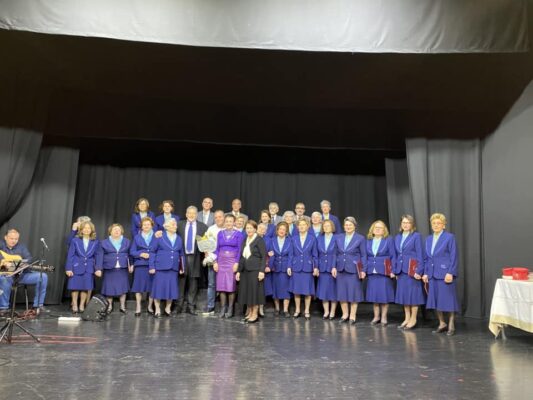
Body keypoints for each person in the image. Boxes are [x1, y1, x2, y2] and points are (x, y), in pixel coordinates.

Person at [423, 213, 460, 336]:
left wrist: (450, 272)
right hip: (432, 274)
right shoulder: (428, 239)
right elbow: (427, 258)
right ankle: (442, 323)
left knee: (448, 300)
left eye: (438, 223)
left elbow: (454, 256)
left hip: (445, 274)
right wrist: (425, 273)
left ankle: (451, 324)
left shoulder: (449, 237)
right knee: (436, 300)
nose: (436, 225)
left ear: (444, 225)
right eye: (433, 223)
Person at [0, 229, 49, 315]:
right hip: (6, 276)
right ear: (5, 237)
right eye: (11, 238)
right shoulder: (1, 245)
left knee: (43, 276)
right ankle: (3, 308)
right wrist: (4, 263)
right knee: (3, 279)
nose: (13, 241)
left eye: (16, 239)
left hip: (21, 275)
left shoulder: (22, 247)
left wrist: (18, 264)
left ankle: (38, 305)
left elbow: (29, 259)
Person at [394, 215, 425, 330]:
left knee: (413, 295)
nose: (405, 225)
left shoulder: (416, 236)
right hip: (401, 271)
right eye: (403, 222)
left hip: (412, 271)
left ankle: (413, 318)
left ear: (412, 224)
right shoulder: (397, 237)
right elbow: (396, 255)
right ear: (401, 224)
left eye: (408, 222)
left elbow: (420, 255)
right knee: (404, 295)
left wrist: (419, 270)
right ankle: (407, 318)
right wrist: (396, 270)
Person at [332, 217, 366, 324]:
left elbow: (363, 255)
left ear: (354, 226)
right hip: (340, 269)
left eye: (350, 225)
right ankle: (345, 314)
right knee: (342, 293)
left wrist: (363, 270)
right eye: (346, 225)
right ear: (343, 226)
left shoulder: (360, 238)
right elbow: (334, 254)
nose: (348, 227)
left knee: (353, 293)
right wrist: (333, 267)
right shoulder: (338, 237)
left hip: (354, 270)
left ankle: (352, 315)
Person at [149, 218, 184, 318]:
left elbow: (181, 254)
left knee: (171, 289)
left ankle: (168, 309)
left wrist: (182, 267)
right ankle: (157, 309)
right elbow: (152, 252)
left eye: (175, 224)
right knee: (158, 289)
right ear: (166, 226)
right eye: (173, 224)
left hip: (173, 268)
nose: (175, 226)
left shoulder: (179, 238)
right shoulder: (159, 236)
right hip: (160, 267)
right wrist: (151, 266)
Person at [177, 206, 208, 315]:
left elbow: (206, 243)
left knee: (193, 283)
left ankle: (191, 306)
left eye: (193, 213)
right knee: (181, 282)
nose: (191, 215)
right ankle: (179, 306)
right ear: (186, 214)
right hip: (182, 257)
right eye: (189, 213)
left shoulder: (203, 227)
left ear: (196, 215)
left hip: (196, 257)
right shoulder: (179, 225)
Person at [365, 220, 396, 326]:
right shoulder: (368, 241)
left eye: (380, 228)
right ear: (372, 230)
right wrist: (364, 269)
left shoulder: (388, 240)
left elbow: (393, 256)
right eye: (376, 227)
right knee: (374, 297)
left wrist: (393, 270)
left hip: (384, 272)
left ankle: (384, 317)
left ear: (384, 230)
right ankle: (376, 317)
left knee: (384, 296)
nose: (378, 229)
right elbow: (365, 256)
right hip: (372, 272)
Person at [95, 224, 131, 313]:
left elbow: (130, 255)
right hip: (109, 269)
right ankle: (109, 306)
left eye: (118, 229)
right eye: (114, 229)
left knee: (123, 289)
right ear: (110, 231)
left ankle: (122, 306)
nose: (116, 231)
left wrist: (131, 265)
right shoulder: (103, 242)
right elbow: (99, 256)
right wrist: (98, 268)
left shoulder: (127, 241)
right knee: (109, 289)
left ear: (121, 231)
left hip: (122, 268)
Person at [236, 220, 267, 324]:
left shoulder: (259, 240)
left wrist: (262, 271)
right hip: (245, 270)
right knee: (248, 292)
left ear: (255, 229)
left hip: (256, 270)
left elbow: (264, 256)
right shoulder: (245, 239)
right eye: (247, 228)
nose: (249, 230)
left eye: (251, 228)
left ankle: (255, 313)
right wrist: (239, 271)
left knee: (255, 292)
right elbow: (242, 257)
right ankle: (250, 313)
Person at [65, 221, 99, 314]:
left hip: (89, 268)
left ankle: (81, 305)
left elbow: (97, 255)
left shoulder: (95, 242)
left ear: (91, 230)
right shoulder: (75, 240)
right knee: (75, 287)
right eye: (85, 228)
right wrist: (68, 268)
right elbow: (70, 255)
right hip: (76, 267)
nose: (87, 230)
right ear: (81, 230)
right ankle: (75, 305)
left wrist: (97, 268)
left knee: (85, 287)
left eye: (89, 228)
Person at [213, 214, 243, 318]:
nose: (228, 223)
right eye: (227, 221)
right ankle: (223, 308)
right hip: (221, 261)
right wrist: (215, 262)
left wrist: (237, 263)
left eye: (230, 221)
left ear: (234, 222)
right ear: (224, 222)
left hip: (232, 262)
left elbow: (240, 250)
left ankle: (230, 309)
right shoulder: (220, 233)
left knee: (231, 286)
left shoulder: (239, 234)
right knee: (221, 286)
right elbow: (217, 249)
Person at [288, 219, 318, 320]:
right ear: (297, 227)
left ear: (307, 226)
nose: (301, 226)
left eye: (304, 225)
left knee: (307, 291)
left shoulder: (312, 238)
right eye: (300, 225)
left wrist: (315, 267)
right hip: (296, 267)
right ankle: (297, 310)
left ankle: (307, 310)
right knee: (296, 291)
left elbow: (315, 255)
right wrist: (289, 266)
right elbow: (291, 254)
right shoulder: (293, 239)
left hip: (307, 267)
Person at [130, 217, 158, 316]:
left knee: (152, 287)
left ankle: (150, 307)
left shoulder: (156, 237)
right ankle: (138, 307)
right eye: (144, 224)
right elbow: (132, 251)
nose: (146, 226)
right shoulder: (136, 237)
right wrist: (140, 254)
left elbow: (159, 251)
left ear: (152, 226)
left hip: (153, 265)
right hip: (140, 265)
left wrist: (152, 256)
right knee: (138, 288)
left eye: (148, 224)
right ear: (141, 226)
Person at [202, 209, 225, 315]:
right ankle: (210, 306)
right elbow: (205, 246)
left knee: (225, 285)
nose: (218, 219)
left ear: (224, 217)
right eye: (216, 217)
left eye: (220, 216)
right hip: (212, 261)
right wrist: (214, 261)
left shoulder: (229, 228)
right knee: (211, 284)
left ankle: (225, 307)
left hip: (225, 262)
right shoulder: (210, 229)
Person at [269, 222, 293, 317]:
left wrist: (289, 266)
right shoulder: (272, 240)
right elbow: (270, 254)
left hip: (285, 269)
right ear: (277, 230)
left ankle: (286, 310)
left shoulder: (290, 240)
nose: (282, 231)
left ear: (286, 231)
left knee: (286, 289)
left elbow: (291, 255)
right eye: (280, 229)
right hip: (275, 268)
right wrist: (270, 266)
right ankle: (277, 309)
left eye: (284, 229)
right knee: (276, 289)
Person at [316, 219, 337, 320]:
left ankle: (332, 312)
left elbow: (336, 254)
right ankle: (326, 312)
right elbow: (316, 254)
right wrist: (316, 267)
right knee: (323, 292)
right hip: (322, 269)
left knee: (333, 292)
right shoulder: (319, 238)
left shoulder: (337, 238)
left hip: (332, 269)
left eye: (328, 226)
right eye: (324, 226)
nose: (326, 227)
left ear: (332, 227)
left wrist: (334, 266)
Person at [257, 222, 271, 318]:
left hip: (264, 267)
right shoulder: (252, 237)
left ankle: (261, 308)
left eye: (264, 229)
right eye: (260, 228)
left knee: (262, 289)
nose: (262, 230)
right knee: (254, 288)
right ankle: (252, 308)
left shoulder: (268, 240)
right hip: (254, 266)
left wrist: (267, 265)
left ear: (266, 231)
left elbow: (271, 254)